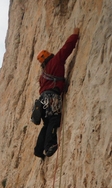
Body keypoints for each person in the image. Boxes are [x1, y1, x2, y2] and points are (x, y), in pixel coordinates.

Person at [34, 27, 80, 159]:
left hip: (42, 100)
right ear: (49, 56)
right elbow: (66, 48)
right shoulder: (56, 61)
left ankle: (38, 150)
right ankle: (49, 146)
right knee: (54, 120)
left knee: (46, 123)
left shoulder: (42, 76)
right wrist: (75, 35)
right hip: (52, 97)